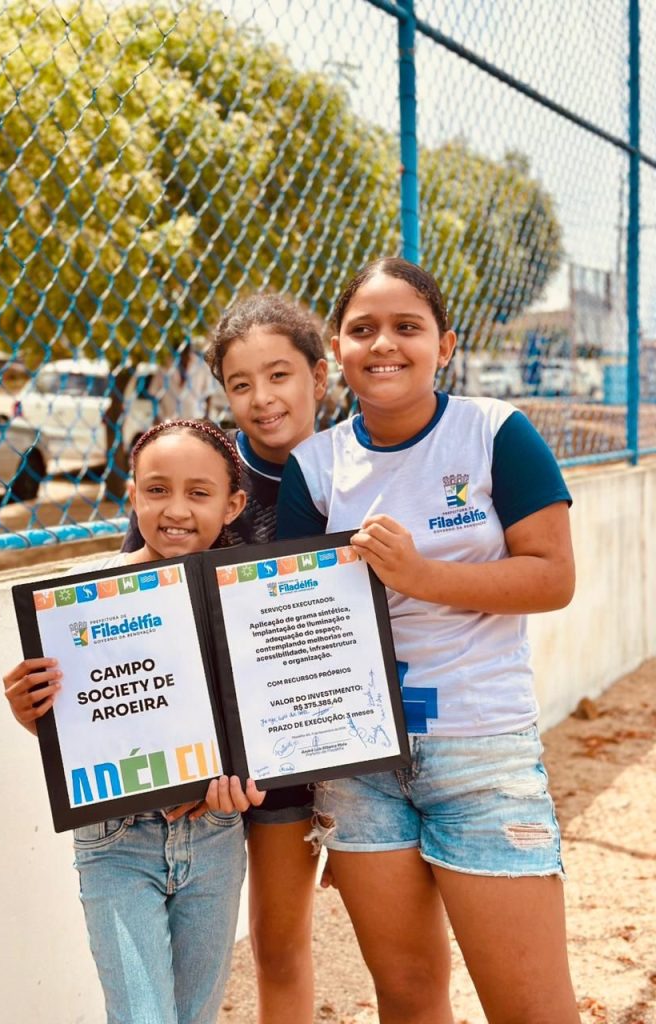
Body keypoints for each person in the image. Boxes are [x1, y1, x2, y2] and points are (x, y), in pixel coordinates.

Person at [277, 257, 580, 1024]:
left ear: (445, 344)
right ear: (337, 354)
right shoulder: (314, 467)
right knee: (408, 999)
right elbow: (283, 623)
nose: (385, 344)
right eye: (363, 329)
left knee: (533, 1009)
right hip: (362, 759)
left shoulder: (495, 432)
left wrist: (416, 574)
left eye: (407, 327)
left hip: (479, 745)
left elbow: (551, 577)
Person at [3, 419, 264, 1024]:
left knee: (196, 1013)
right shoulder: (80, 601)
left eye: (199, 493)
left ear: (234, 505)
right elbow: (82, 721)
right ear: (131, 494)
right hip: (115, 840)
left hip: (216, 833)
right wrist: (32, 712)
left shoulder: (250, 599)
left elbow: (264, 718)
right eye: (156, 489)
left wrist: (247, 779)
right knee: (142, 1015)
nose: (176, 510)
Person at [122, 294, 329, 1024]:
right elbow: (132, 613)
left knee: (278, 944)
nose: (262, 399)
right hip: (196, 766)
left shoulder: (352, 470)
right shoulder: (198, 472)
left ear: (319, 374)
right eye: (241, 384)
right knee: (204, 960)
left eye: (279, 375)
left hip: (295, 753)